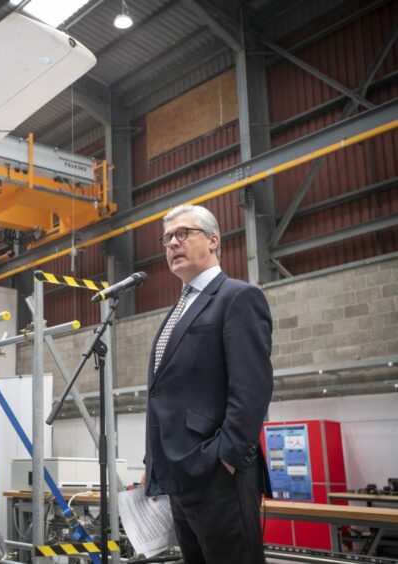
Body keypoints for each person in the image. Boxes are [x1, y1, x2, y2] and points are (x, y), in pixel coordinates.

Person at [143, 205, 273, 564]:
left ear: (213, 240)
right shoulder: (179, 308)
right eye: (167, 238)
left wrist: (225, 459)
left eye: (183, 233)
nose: (173, 243)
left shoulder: (238, 296)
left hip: (216, 474)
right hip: (179, 475)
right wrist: (152, 460)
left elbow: (252, 388)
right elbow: (164, 394)